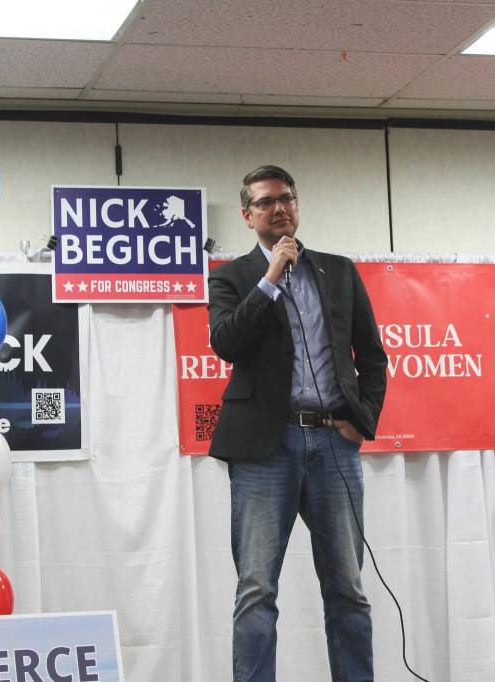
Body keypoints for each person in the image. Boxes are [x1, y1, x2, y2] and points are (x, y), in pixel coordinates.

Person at [207, 165, 388, 681]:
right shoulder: (231, 276)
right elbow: (226, 343)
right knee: (257, 589)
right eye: (265, 202)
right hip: (266, 446)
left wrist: (361, 420)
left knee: (348, 588)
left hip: (334, 442)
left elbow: (372, 358)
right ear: (247, 216)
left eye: (286, 198)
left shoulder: (338, 270)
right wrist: (269, 279)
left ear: (297, 204)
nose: (278, 208)